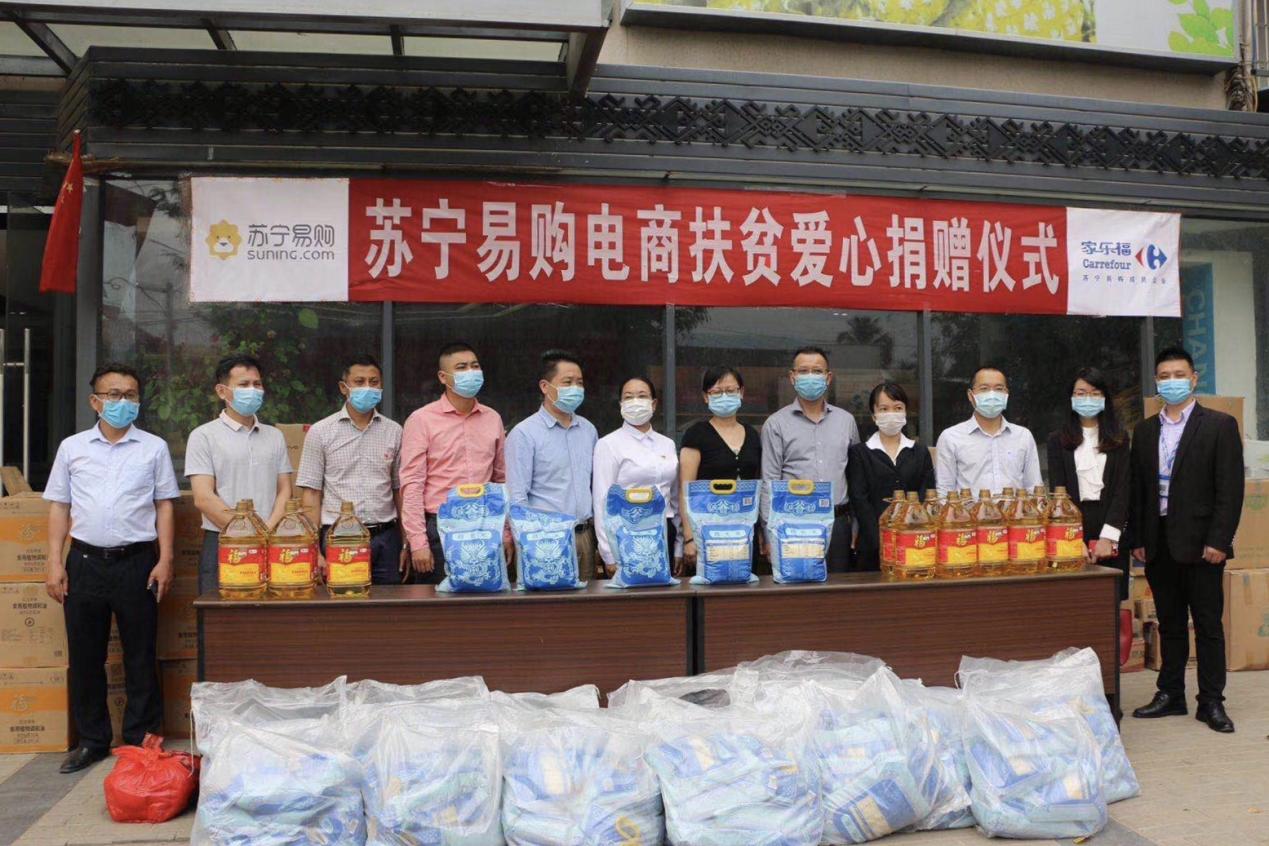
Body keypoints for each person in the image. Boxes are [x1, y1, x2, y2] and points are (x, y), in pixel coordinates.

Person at [42, 364, 180, 774]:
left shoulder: (153, 448)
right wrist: (54, 561)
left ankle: (141, 739)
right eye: (114, 394)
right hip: (84, 562)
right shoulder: (73, 448)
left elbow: (164, 505)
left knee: (140, 654)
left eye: (131, 395)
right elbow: (60, 506)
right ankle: (93, 741)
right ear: (95, 401)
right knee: (86, 657)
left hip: (137, 562)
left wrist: (165, 559)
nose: (123, 402)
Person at [1129, 346, 1243, 733]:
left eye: (1179, 375)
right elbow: (1139, 490)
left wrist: (1219, 540)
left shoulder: (1219, 425)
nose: (1172, 381)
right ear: (1156, 382)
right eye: (1165, 376)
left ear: (1194, 379)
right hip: (1158, 542)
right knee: (1170, 623)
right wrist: (1138, 537)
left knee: (1208, 625)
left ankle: (1211, 701)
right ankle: (1170, 694)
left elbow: (1230, 489)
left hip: (1202, 544)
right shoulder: (1146, 431)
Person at [400, 342, 509, 585]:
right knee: (438, 603)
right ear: (443, 377)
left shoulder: (492, 418)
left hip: (485, 525)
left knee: (485, 599)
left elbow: (501, 480)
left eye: (475, 366)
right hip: (441, 527)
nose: (471, 372)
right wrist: (418, 543)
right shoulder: (421, 420)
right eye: (461, 367)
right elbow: (412, 484)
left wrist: (506, 533)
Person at [185, 354, 293, 597]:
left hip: (271, 540)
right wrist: (247, 535)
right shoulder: (203, 436)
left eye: (257, 384)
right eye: (244, 385)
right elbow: (203, 497)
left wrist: (265, 533)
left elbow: (285, 489)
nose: (253, 390)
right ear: (222, 391)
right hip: (224, 541)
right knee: (221, 616)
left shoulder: (274, 436)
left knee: (271, 614)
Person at [296, 354, 406, 585]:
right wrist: (313, 550)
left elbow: (400, 491)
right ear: (343, 387)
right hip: (340, 538)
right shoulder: (321, 432)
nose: (367, 387)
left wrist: (406, 543)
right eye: (359, 382)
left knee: (389, 603)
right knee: (343, 603)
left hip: (386, 538)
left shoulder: (394, 431)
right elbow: (311, 494)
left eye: (374, 382)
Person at [760, 347, 860, 571]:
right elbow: (769, 482)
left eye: (817, 371)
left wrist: (856, 524)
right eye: (803, 371)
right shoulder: (776, 424)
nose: (810, 376)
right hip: (794, 523)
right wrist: (768, 532)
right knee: (799, 589)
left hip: (839, 523)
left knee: (839, 588)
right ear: (792, 377)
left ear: (828, 377)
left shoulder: (846, 421)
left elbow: (855, 477)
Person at [506, 350, 600, 582]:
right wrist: (526, 544)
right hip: (544, 540)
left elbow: (594, 486)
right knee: (547, 605)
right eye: (567, 382)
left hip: (584, 537)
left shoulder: (588, 430)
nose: (575, 388)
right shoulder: (524, 434)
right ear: (545, 387)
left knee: (587, 603)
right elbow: (517, 497)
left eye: (579, 383)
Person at [1045, 367, 1131, 600]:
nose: (1088, 399)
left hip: (1110, 525)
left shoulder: (1119, 438)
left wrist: (1108, 537)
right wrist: (1073, 539)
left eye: (1095, 393)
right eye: (1081, 393)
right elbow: (1058, 493)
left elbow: (1123, 490)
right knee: (1074, 600)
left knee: (1110, 601)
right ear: (1071, 398)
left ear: (1105, 398)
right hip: (1072, 524)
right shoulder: (1057, 440)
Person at [592, 376, 684, 577]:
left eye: (642, 396)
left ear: (654, 403)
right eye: (628, 397)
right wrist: (608, 554)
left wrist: (679, 545)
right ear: (621, 404)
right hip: (628, 533)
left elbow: (674, 498)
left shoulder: (667, 444)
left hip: (664, 530)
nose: (635, 401)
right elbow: (602, 501)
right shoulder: (608, 444)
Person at [679, 366, 763, 574]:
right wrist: (689, 538)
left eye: (730, 390)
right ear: (705, 397)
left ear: (741, 392)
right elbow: (685, 491)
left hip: (744, 533)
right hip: (707, 533)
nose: (724, 396)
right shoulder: (696, 434)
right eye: (716, 392)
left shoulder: (753, 435)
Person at [847, 381, 936, 571]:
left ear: (905, 413)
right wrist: (881, 540)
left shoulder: (920, 452)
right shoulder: (859, 453)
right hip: (872, 546)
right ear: (874, 415)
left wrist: (910, 534)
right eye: (884, 409)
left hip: (915, 543)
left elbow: (926, 494)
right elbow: (860, 500)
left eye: (897, 408)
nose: (891, 414)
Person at [935, 366, 1041, 495]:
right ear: (970, 395)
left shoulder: (1023, 436)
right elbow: (944, 491)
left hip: (1015, 508)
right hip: (968, 508)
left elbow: (1034, 488)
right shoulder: (951, 437)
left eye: (999, 389)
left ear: (1006, 394)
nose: (992, 394)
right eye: (984, 388)